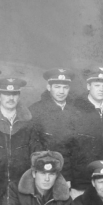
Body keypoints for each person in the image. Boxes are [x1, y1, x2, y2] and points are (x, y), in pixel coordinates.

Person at [29, 68, 86, 196]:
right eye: (57, 87)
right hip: (45, 174)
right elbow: (34, 145)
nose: (61, 91)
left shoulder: (77, 112)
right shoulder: (35, 111)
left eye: (65, 87)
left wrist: (71, 177)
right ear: (48, 87)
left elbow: (79, 149)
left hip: (73, 177)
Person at [70, 67, 103, 196]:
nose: (101, 89)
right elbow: (67, 147)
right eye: (97, 85)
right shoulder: (75, 111)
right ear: (88, 86)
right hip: (81, 179)